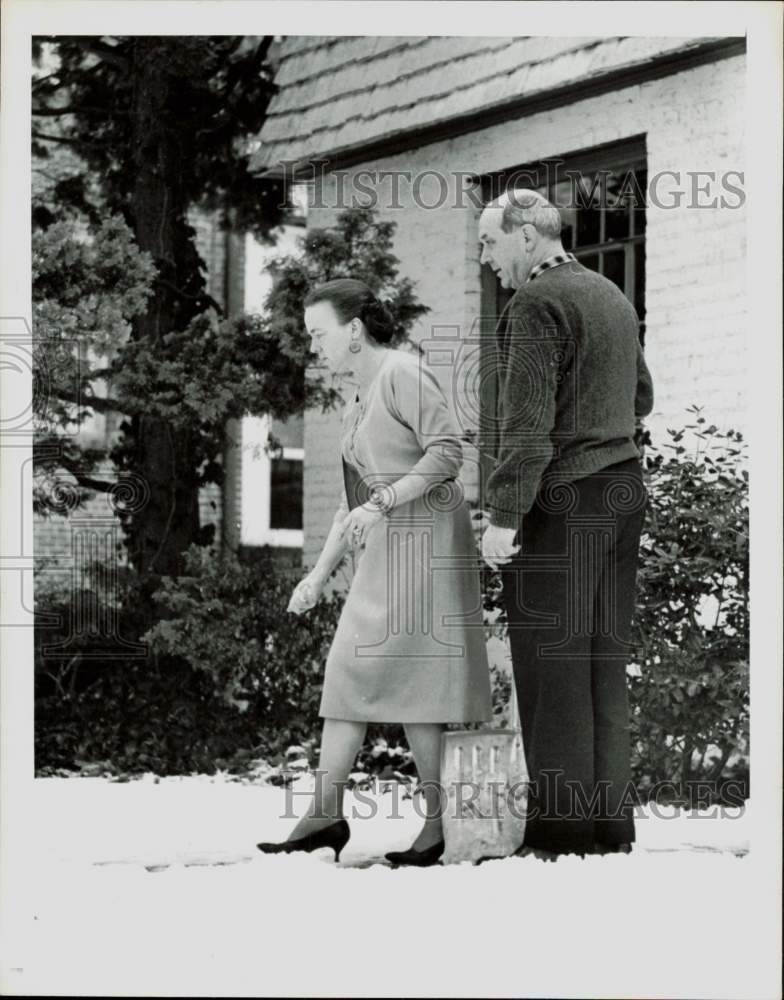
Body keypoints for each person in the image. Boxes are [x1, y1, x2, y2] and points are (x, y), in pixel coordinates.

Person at [256, 278, 493, 867]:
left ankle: (438, 829)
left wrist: (383, 503)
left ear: (354, 331)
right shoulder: (361, 396)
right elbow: (352, 499)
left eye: (319, 334)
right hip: (388, 546)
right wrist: (317, 575)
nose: (313, 346)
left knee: (419, 690)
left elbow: (448, 454)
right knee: (349, 674)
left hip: (426, 543)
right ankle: (323, 817)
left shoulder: (402, 374)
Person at [478, 189, 654, 858]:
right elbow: (643, 395)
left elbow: (526, 430)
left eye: (491, 243)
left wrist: (502, 517)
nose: (486, 259)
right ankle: (608, 831)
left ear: (526, 236)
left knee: (552, 664)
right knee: (601, 662)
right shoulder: (610, 295)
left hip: (567, 495)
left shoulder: (536, 304)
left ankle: (561, 835)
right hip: (623, 490)